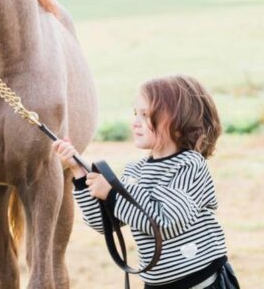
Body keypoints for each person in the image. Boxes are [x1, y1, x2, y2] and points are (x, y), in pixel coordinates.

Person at [53, 75, 240, 289]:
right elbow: (103, 223)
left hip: (202, 283)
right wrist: (80, 174)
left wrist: (113, 194)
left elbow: (167, 221)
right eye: (136, 114)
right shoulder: (136, 171)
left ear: (179, 122)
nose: (135, 122)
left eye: (145, 115)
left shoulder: (189, 165)